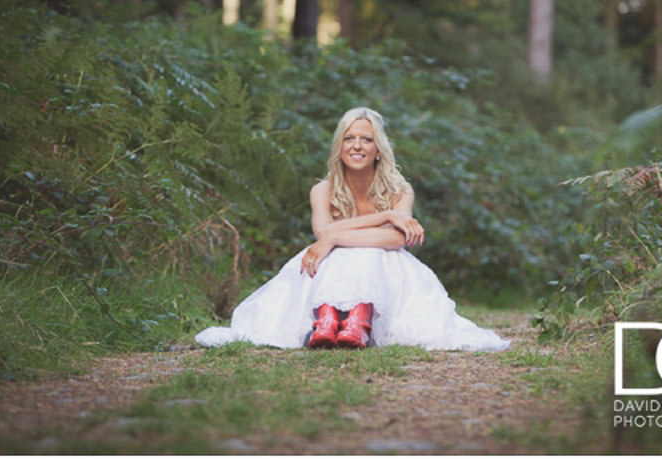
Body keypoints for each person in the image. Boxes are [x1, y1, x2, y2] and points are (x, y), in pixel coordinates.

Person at [196, 107, 509, 351]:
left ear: (378, 149)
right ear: (339, 146)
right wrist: (382, 215)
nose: (357, 145)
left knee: (367, 253)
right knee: (339, 254)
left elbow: (395, 239)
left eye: (366, 139)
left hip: (388, 270)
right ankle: (327, 319)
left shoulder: (401, 188)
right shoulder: (322, 190)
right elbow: (324, 233)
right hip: (328, 265)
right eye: (349, 138)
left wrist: (335, 236)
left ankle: (358, 320)